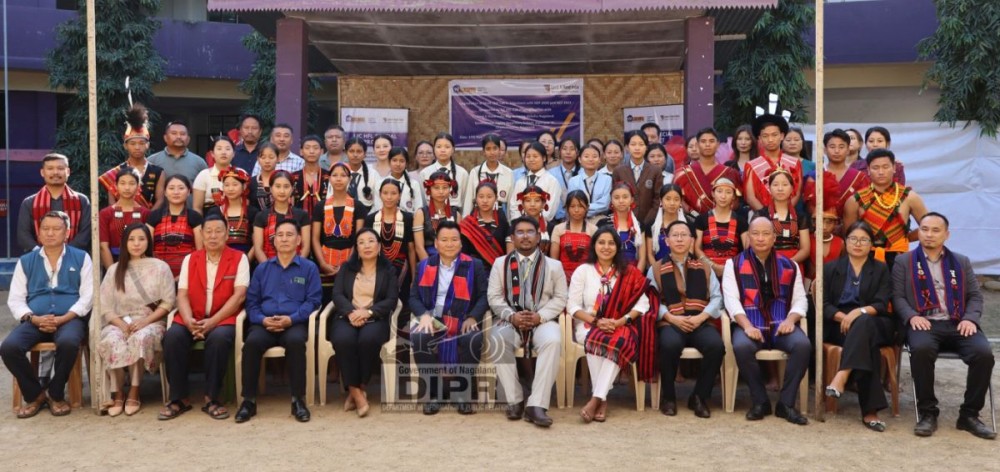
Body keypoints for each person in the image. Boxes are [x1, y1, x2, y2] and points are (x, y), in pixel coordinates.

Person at [892, 212, 996, 440]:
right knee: (921, 350)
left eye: (935, 230)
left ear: (946, 235)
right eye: (924, 229)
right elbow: (897, 296)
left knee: (983, 355)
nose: (929, 234)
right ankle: (928, 413)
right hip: (924, 323)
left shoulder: (960, 261)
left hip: (958, 321)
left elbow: (975, 296)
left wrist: (970, 318)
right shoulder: (904, 261)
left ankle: (969, 415)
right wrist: (911, 316)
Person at [2, 211, 93, 418]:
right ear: (39, 232)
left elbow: (87, 296)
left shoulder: (81, 258)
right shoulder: (26, 260)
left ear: (67, 233)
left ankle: (55, 393)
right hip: (35, 319)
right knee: (9, 347)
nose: (50, 233)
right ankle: (35, 395)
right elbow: (15, 299)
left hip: (69, 319)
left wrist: (65, 318)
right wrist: (33, 318)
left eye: (56, 229)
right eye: (45, 229)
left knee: (69, 343)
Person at [722, 216, 810, 425]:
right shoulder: (733, 264)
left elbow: (800, 299)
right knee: (742, 346)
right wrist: (747, 326)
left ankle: (786, 404)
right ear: (748, 237)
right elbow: (731, 300)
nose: (760, 238)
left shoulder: (790, 265)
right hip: (750, 323)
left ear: (774, 238)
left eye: (766, 234)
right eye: (755, 234)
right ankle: (760, 401)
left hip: (781, 324)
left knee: (803, 345)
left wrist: (791, 320)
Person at [161, 214, 249, 420]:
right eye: (208, 231)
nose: (213, 236)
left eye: (218, 231)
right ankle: (179, 398)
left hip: (223, 318)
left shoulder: (239, 258)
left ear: (227, 234)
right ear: (201, 234)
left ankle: (212, 397)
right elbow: (182, 294)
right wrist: (189, 320)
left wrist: (212, 322)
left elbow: (239, 296)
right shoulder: (191, 259)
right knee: (172, 337)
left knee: (219, 340)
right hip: (192, 317)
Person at [567, 227, 658, 423]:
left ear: (617, 247)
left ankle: (596, 399)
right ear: (594, 245)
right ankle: (602, 399)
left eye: (611, 243)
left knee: (617, 341)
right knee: (596, 340)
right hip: (589, 324)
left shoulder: (628, 272)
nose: (606, 247)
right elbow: (572, 306)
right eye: (601, 242)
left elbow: (643, 304)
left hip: (620, 325)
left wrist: (619, 321)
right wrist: (596, 322)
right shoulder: (583, 271)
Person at [236, 219, 322, 423]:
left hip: (294, 323)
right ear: (273, 241)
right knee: (251, 344)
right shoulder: (262, 269)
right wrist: (263, 320)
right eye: (279, 235)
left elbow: (313, 301)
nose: (284, 239)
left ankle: (297, 400)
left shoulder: (308, 268)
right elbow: (252, 303)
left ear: (299, 240)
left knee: (295, 342)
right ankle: (248, 401)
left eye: (289, 235)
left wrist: (291, 319)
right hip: (264, 324)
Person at [487, 216, 568, 427]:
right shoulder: (500, 264)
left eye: (530, 232)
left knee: (553, 340)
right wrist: (511, 316)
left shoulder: (554, 265)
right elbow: (494, 297)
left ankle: (536, 405)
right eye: (520, 232)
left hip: (542, 319)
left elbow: (561, 298)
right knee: (497, 338)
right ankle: (514, 400)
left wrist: (540, 316)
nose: (525, 236)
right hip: (510, 319)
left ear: (538, 236)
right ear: (512, 237)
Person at [408, 221, 489, 415]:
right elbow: (413, 297)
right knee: (419, 337)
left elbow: (484, 296)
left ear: (461, 243)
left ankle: (462, 394)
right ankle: (435, 394)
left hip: (462, 318)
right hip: (433, 318)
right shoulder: (423, 265)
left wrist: (473, 317)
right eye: (444, 240)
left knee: (473, 337)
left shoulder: (474, 265)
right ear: (436, 243)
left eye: (454, 240)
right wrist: (424, 315)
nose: (449, 244)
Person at [822, 222, 895, 432]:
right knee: (865, 343)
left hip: (874, 321)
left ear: (871, 244)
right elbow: (824, 304)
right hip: (840, 324)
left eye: (864, 240)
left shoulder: (880, 268)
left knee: (863, 324)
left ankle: (842, 374)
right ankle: (870, 412)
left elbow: (881, 303)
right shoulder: (831, 268)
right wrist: (844, 317)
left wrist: (858, 313)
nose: (858, 243)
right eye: (853, 238)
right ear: (845, 241)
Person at [96, 223, 175, 417]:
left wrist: (144, 322)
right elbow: (105, 306)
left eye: (141, 239)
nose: (136, 244)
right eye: (131, 239)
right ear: (124, 243)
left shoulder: (160, 267)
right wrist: (122, 325)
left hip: (151, 321)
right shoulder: (114, 270)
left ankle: (134, 390)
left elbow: (167, 303)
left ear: (149, 242)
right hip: (119, 321)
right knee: (111, 339)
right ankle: (118, 393)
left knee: (140, 338)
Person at [649, 221, 723, 418]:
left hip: (700, 321)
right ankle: (669, 397)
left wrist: (701, 317)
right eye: (675, 235)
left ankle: (699, 396)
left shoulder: (704, 267)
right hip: (671, 322)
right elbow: (651, 301)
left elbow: (717, 298)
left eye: (684, 235)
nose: (680, 239)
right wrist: (671, 318)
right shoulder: (656, 268)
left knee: (716, 346)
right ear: (667, 240)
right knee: (669, 345)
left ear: (692, 240)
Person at [329, 228, 399, 418]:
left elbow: (391, 299)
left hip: (375, 317)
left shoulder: (388, 270)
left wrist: (367, 312)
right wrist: (351, 312)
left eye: (371, 241)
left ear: (379, 246)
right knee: (343, 340)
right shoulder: (346, 268)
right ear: (356, 248)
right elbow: (337, 294)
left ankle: (359, 387)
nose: (366, 245)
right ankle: (356, 393)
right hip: (347, 316)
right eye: (361, 242)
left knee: (367, 340)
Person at [843, 148, 927, 270]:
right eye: (875, 168)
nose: (881, 172)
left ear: (894, 168)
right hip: (864, 258)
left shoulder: (909, 197)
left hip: (899, 258)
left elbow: (928, 226)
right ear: (868, 170)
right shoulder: (855, 200)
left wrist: (906, 238)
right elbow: (849, 235)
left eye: (885, 167)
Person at [17, 153, 92, 254]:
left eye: (60, 168)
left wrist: (66, 253)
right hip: (38, 257)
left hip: (74, 256)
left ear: (68, 171)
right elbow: (23, 235)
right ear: (42, 172)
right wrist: (42, 253)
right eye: (50, 168)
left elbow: (85, 232)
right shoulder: (30, 202)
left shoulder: (81, 200)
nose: (55, 172)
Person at [99, 104, 165, 210]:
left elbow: (160, 200)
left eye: (141, 143)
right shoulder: (117, 172)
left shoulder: (158, 172)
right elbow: (112, 202)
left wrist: (148, 217)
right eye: (133, 143)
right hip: (121, 217)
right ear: (125, 146)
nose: (137, 147)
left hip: (149, 218)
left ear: (147, 145)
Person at [365, 179, 419, 308]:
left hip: (402, 269)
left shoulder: (407, 218)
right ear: (380, 194)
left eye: (393, 193)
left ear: (399, 195)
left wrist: (414, 277)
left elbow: (411, 249)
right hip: (376, 268)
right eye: (385, 193)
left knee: (402, 306)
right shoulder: (371, 219)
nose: (389, 197)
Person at [312, 163, 368, 279]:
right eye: (335, 175)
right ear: (329, 178)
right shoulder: (320, 206)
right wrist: (322, 264)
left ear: (350, 179)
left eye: (343, 175)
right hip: (325, 263)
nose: (338, 179)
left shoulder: (358, 206)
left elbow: (359, 239)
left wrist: (348, 265)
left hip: (351, 264)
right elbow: (315, 238)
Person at [673, 127, 742, 217]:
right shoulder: (682, 173)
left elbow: (735, 201)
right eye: (703, 141)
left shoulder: (730, 173)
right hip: (690, 221)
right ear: (698, 145)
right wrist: (691, 212)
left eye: (711, 141)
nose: (707, 145)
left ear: (718, 145)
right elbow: (675, 197)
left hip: (723, 221)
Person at [147, 175, 204, 278]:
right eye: (171, 188)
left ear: (188, 192)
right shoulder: (154, 216)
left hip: (188, 274)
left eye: (181, 188)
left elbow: (200, 251)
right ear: (165, 192)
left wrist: (183, 277)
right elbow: (147, 249)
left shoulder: (195, 217)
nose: (176, 192)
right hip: (156, 274)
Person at [743, 114, 802, 211]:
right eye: (765, 136)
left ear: (782, 136)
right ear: (759, 138)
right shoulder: (752, 165)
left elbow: (797, 193)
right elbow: (750, 197)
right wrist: (766, 214)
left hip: (788, 215)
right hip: (761, 216)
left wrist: (784, 213)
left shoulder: (794, 163)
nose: (770, 140)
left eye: (774, 135)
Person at [755, 169, 810, 271]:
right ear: (769, 188)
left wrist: (788, 263)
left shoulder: (800, 217)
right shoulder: (761, 215)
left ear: (792, 188)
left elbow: (805, 249)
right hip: (766, 265)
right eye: (775, 185)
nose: (780, 189)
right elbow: (752, 244)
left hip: (793, 266)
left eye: (785, 185)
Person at [252, 171, 311, 264]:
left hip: (297, 266)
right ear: (271, 189)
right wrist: (269, 268)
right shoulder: (261, 216)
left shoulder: (302, 215)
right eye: (278, 186)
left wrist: (295, 266)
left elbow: (306, 247)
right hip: (268, 267)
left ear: (292, 189)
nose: (282, 191)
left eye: (286, 187)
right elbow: (258, 249)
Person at [694, 178, 748, 278]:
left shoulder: (741, 221)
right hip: (706, 272)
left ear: (733, 196)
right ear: (713, 194)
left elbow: (747, 249)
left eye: (728, 192)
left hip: (733, 272)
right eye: (719, 191)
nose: (723, 196)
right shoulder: (701, 219)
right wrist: (713, 266)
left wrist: (730, 267)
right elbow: (697, 248)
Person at [99, 166, 150, 269]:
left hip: (140, 264)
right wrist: (112, 272)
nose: (127, 188)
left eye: (131, 183)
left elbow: (148, 245)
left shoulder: (146, 213)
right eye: (122, 183)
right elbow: (103, 246)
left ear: (138, 186)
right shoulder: (106, 213)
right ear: (116, 185)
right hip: (113, 261)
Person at [612, 130, 663, 225]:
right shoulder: (618, 171)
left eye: (641, 144)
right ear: (627, 147)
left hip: (650, 222)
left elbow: (658, 199)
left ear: (646, 147)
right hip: (625, 221)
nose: (637, 148)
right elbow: (615, 197)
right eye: (633, 144)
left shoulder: (655, 171)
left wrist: (647, 222)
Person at [460, 180, 512, 267]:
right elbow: (464, 254)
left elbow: (508, 253)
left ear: (496, 198)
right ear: (476, 198)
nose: (485, 200)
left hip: (497, 269)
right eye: (481, 197)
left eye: (489, 197)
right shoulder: (467, 224)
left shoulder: (503, 223)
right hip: (474, 269)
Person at [207, 166, 257, 254]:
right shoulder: (215, 212)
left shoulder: (252, 212)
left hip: (246, 257)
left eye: (235, 184)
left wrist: (246, 259)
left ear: (244, 187)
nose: (230, 189)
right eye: (226, 185)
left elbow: (257, 243)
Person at [509, 141, 562, 224]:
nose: (531, 160)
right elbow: (514, 206)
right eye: (528, 156)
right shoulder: (520, 181)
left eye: (535, 156)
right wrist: (520, 223)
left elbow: (549, 210)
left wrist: (534, 223)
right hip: (521, 225)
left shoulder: (552, 181)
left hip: (543, 226)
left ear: (544, 158)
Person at [550, 190, 596, 283]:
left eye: (580, 206)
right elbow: (554, 260)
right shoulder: (558, 229)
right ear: (567, 208)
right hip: (562, 277)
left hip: (586, 278)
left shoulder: (593, 229)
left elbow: (595, 258)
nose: (576, 210)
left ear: (587, 208)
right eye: (572, 206)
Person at [463, 134, 514, 216]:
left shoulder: (509, 173)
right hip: (479, 216)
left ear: (499, 150)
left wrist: (510, 222)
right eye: (488, 149)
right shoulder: (475, 172)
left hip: (501, 215)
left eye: (495, 148)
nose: (492, 152)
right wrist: (466, 220)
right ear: (483, 152)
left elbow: (511, 203)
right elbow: (468, 201)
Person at [823, 128, 870, 216]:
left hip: (853, 223)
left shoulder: (859, 177)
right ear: (825, 150)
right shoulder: (816, 175)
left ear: (848, 150)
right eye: (832, 147)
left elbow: (865, 206)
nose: (837, 151)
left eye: (841, 147)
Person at [600, 183, 646, 271]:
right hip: (608, 270)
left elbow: (642, 258)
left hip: (633, 271)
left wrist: (635, 276)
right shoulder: (603, 224)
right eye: (616, 197)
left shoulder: (638, 226)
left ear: (632, 199)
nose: (621, 201)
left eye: (625, 197)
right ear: (611, 200)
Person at [416, 170, 461, 261]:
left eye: (445, 188)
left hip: (453, 259)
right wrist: (429, 266)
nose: (441, 191)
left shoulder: (456, 214)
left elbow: (459, 244)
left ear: (450, 189)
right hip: (429, 258)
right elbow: (419, 247)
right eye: (436, 188)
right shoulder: (421, 214)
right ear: (429, 190)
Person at [419, 132, 469, 209]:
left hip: (455, 214)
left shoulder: (462, 173)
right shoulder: (425, 173)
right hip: (431, 214)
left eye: (447, 147)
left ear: (453, 150)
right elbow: (422, 202)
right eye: (439, 147)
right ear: (434, 149)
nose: (442, 150)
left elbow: (465, 202)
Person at [193, 137, 238, 215]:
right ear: (212, 154)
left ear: (233, 153)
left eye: (227, 149)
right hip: (209, 218)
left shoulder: (240, 173)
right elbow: (197, 207)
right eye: (219, 149)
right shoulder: (203, 175)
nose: (223, 152)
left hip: (235, 218)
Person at [567, 144, 612, 221]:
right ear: (580, 159)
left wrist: (583, 207)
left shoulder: (607, 179)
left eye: (594, 156)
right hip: (578, 219)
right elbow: (573, 204)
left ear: (599, 160)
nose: (591, 159)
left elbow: (605, 204)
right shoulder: (573, 181)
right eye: (586, 156)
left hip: (601, 220)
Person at [290, 134, 330, 221]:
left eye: (315, 148)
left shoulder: (329, 176)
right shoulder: (292, 177)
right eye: (307, 148)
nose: (311, 151)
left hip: (324, 222)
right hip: (298, 223)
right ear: (301, 151)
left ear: (322, 151)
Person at [375, 146, 423, 213]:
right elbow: (378, 208)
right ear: (389, 162)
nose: (398, 164)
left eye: (402, 161)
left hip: (409, 219)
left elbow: (418, 209)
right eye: (394, 160)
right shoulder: (380, 183)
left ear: (406, 163)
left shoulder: (414, 184)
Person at [646, 184, 686, 265]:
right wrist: (657, 270)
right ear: (661, 200)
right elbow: (650, 255)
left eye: (676, 199)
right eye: (668, 199)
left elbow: (690, 252)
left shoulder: (688, 225)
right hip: (658, 269)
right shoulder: (652, 226)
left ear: (681, 201)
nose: (672, 203)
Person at [550, 137, 582, 222]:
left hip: (580, 216)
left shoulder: (583, 173)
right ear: (559, 152)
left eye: (572, 149)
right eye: (564, 149)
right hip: (557, 218)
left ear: (578, 153)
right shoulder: (551, 174)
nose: (568, 152)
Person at [343, 137, 379, 209]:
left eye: (359, 151)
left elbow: (378, 202)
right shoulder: (338, 172)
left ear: (365, 154)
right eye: (351, 151)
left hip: (368, 214)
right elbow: (330, 198)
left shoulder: (373, 174)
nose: (355, 155)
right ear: (346, 153)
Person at [248, 142, 279, 211]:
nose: (267, 161)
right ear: (258, 159)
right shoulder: (251, 182)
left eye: (271, 157)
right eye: (263, 157)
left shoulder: (283, 180)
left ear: (277, 159)